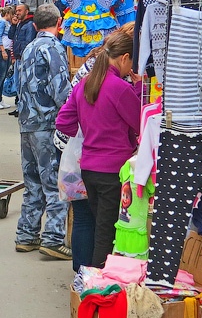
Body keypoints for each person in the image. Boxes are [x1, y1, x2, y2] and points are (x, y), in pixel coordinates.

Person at [56, 28, 143, 268]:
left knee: (98, 228)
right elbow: (140, 123)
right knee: (106, 237)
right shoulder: (119, 88)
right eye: (132, 62)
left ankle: (89, 283)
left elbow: (63, 121)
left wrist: (90, 128)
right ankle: (95, 291)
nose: (132, 69)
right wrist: (137, 88)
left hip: (89, 169)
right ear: (124, 57)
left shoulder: (86, 83)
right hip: (113, 172)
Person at [14, 3, 72, 259]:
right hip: (48, 123)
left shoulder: (28, 48)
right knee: (55, 182)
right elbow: (61, 90)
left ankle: (26, 235)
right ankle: (52, 238)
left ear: (35, 25)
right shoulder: (53, 47)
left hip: (27, 122)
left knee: (33, 181)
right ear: (58, 23)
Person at [8, 4, 37, 117]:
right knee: (18, 84)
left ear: (27, 11)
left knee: (23, 84)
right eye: (16, 11)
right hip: (18, 59)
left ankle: (24, 108)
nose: (17, 13)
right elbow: (11, 36)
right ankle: (20, 106)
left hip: (23, 59)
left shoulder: (29, 25)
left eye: (20, 10)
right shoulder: (19, 24)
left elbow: (28, 42)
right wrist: (14, 25)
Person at [0, 6, 14, 110]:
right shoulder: (2, 22)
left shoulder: (7, 23)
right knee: (1, 75)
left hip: (6, 50)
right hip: (2, 51)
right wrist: (3, 50)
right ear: (8, 14)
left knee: (3, 75)